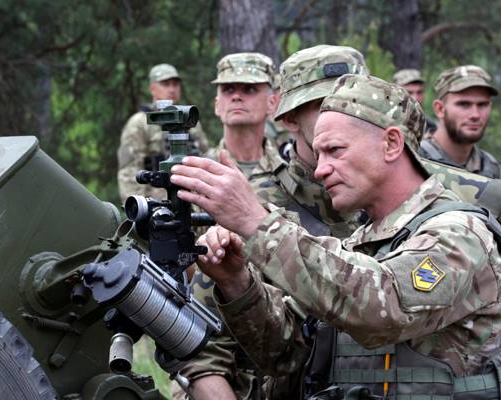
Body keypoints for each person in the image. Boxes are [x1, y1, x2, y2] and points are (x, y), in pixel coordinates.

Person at [171, 74, 501, 399]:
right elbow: (287, 351)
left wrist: (255, 221)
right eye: (319, 154)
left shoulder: (459, 233)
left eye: (335, 150)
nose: (320, 169)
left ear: (391, 144)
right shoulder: (364, 241)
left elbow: (382, 309)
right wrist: (236, 282)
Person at [179, 45, 369, 400]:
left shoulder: (401, 199)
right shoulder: (246, 206)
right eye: (326, 106)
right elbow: (201, 350)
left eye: (359, 104)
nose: (347, 117)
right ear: (290, 118)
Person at [117, 63, 208, 203]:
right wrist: (142, 208)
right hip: (159, 204)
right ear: (152, 88)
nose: (172, 89)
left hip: (194, 201)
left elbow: (205, 156)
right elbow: (129, 173)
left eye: (175, 84)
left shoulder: (189, 120)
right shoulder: (139, 123)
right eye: (165, 84)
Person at [418, 65, 500, 178]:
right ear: (440, 109)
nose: (475, 115)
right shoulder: (414, 161)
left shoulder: (492, 169)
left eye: (482, 105)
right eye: (464, 104)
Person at [393, 68, 437, 133]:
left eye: (419, 92)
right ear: (395, 93)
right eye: (409, 92)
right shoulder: (382, 121)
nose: (415, 98)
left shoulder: (430, 127)